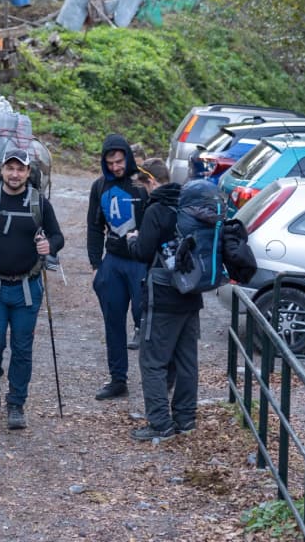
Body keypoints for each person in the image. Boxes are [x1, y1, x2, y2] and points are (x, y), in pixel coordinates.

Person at [0, 147, 64, 430]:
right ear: (2, 170)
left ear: (28, 173)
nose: (15, 174)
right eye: (10, 168)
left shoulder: (40, 203)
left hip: (27, 288)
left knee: (22, 348)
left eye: (21, 169)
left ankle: (16, 403)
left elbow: (57, 236)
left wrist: (49, 246)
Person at [125, 157, 199, 440]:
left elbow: (144, 252)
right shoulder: (188, 204)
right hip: (192, 291)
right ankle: (185, 419)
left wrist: (133, 239)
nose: (142, 191)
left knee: (152, 360)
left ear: (151, 181)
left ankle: (160, 424)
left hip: (164, 292)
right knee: (186, 360)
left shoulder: (156, 209)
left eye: (142, 185)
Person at [86, 134, 149, 401]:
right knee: (113, 322)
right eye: (110, 162)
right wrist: (95, 263)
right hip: (113, 261)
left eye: (119, 161)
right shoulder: (99, 186)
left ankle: (156, 377)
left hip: (141, 262)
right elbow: (93, 225)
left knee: (146, 320)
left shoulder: (142, 185)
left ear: (128, 157)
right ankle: (117, 379)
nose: (115, 167)